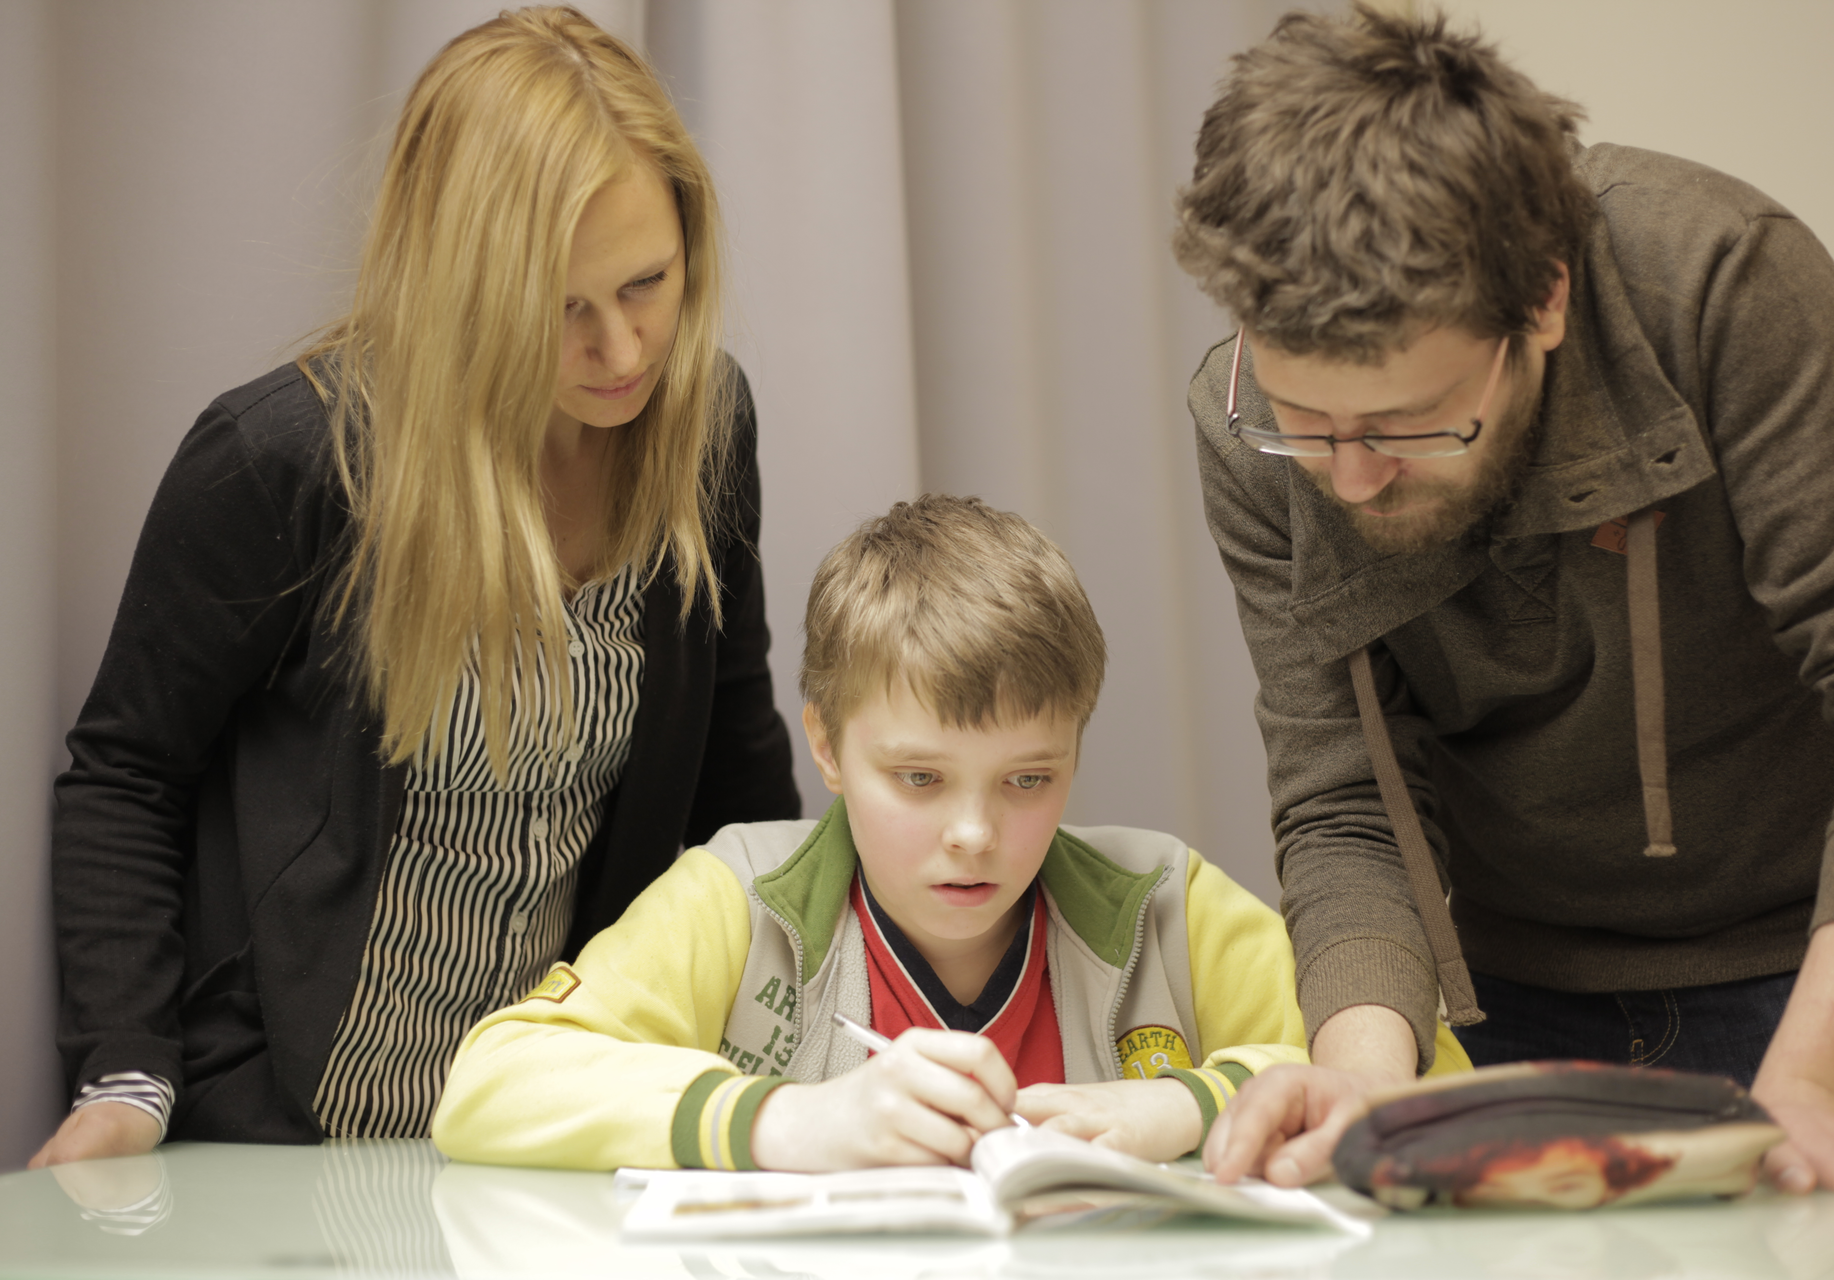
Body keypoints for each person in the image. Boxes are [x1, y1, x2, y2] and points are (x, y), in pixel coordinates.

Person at [1172, 7, 1834, 1214]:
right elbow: (1347, 792)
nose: (1348, 476)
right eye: (1306, 424)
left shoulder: (1723, 281)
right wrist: (1367, 1077)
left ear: (1545, 303)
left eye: (1408, 423)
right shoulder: (1245, 423)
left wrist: (1821, 1078)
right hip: (1518, 1002)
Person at [35, 6, 798, 1166]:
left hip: (562, 1121)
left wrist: (795, 1036)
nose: (626, 350)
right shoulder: (286, 458)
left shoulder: (704, 426)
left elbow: (734, 773)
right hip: (286, 1134)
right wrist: (127, 1074)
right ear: (460, 284)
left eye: (648, 282)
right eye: (561, 308)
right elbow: (127, 774)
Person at [430, 495, 1471, 1171]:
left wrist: (1195, 1105)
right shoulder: (737, 897)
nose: (974, 831)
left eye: (1029, 777)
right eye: (918, 777)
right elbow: (488, 1086)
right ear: (827, 747)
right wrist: (787, 1121)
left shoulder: (1165, 900)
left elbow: (1434, 1077)